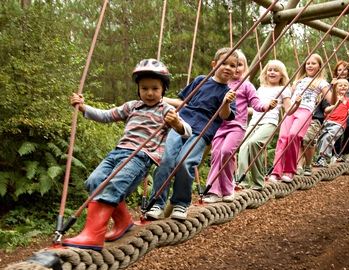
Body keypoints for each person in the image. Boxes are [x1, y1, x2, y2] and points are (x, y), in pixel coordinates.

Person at [62, 59, 191, 251]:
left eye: (155, 88)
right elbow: (105, 115)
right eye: (144, 88)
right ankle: (123, 222)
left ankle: (93, 235)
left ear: (163, 90)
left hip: (140, 156)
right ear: (138, 89)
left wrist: (177, 124)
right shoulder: (132, 106)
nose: (149, 93)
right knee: (94, 182)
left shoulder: (167, 110)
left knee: (114, 187)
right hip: (118, 152)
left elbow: (187, 132)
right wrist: (83, 107)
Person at [145, 47, 237, 220]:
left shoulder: (230, 93)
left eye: (233, 65)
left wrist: (225, 103)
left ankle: (181, 203)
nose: (228, 68)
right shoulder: (201, 81)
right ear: (214, 64)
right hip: (181, 122)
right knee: (166, 159)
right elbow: (183, 102)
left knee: (185, 162)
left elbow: (225, 116)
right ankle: (157, 203)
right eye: (224, 63)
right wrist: (161, 100)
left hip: (203, 131)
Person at [203, 50, 276, 203]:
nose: (235, 69)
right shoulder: (222, 84)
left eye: (239, 65)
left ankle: (228, 188)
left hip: (237, 126)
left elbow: (256, 103)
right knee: (216, 154)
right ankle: (213, 191)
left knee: (226, 152)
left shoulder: (247, 86)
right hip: (219, 126)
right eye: (231, 65)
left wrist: (266, 106)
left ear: (245, 67)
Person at [269, 53, 330, 183]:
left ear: (319, 66)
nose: (309, 65)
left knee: (293, 135)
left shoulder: (321, 82)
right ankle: (276, 172)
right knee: (283, 139)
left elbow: (332, 99)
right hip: (291, 110)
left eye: (313, 63)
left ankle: (289, 171)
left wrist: (335, 88)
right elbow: (287, 96)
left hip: (305, 111)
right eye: (308, 63)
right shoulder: (298, 81)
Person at [236, 60, 291, 190]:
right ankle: (241, 181)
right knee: (243, 147)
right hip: (255, 122)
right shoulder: (260, 89)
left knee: (253, 143)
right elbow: (256, 107)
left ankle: (258, 182)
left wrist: (297, 106)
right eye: (269, 70)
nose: (272, 72)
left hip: (269, 122)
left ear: (282, 75)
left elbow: (288, 110)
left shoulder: (283, 89)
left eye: (276, 70)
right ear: (265, 73)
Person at [315, 79, 349, 167]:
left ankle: (323, 157)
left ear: (348, 88)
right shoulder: (331, 98)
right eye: (340, 85)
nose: (343, 87)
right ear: (335, 88)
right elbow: (326, 110)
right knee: (322, 138)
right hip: (327, 122)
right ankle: (322, 158)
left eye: (345, 85)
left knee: (328, 138)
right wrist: (337, 103)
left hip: (339, 124)